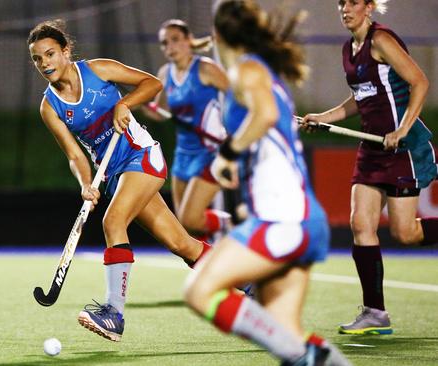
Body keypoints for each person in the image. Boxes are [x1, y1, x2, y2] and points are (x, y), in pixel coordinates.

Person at [184, 1, 350, 365]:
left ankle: (302, 352)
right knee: (287, 336)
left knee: (200, 291)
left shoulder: (247, 70)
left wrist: (228, 151)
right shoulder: (259, 72)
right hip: (298, 217)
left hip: (283, 219)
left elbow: (266, 115)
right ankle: (310, 354)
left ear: (219, 35)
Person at [27, 20, 211, 342]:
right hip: (114, 174)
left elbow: (152, 84)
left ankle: (114, 313)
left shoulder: (100, 70)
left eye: (50, 54)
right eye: (37, 59)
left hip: (142, 156)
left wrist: (124, 104)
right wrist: (86, 184)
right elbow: (74, 155)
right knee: (183, 245)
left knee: (113, 222)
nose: (45, 64)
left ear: (66, 51)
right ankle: (250, 285)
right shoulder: (50, 106)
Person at [302, 0, 436, 335]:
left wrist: (402, 130)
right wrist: (323, 117)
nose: (345, 8)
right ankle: (375, 313)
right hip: (371, 148)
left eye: (353, 2)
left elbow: (419, 81)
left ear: (370, 7)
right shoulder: (349, 48)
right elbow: (359, 99)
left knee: (405, 234)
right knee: (361, 224)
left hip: (403, 148)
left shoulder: (382, 40)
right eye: (341, 3)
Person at [142, 19, 233, 241]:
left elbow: (237, 97)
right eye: (164, 43)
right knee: (186, 228)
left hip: (210, 152)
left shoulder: (205, 68)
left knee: (191, 219)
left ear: (189, 40)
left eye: (175, 40)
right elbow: (159, 112)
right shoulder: (166, 73)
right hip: (184, 154)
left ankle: (234, 224)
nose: (169, 47)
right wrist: (137, 101)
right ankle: (212, 268)